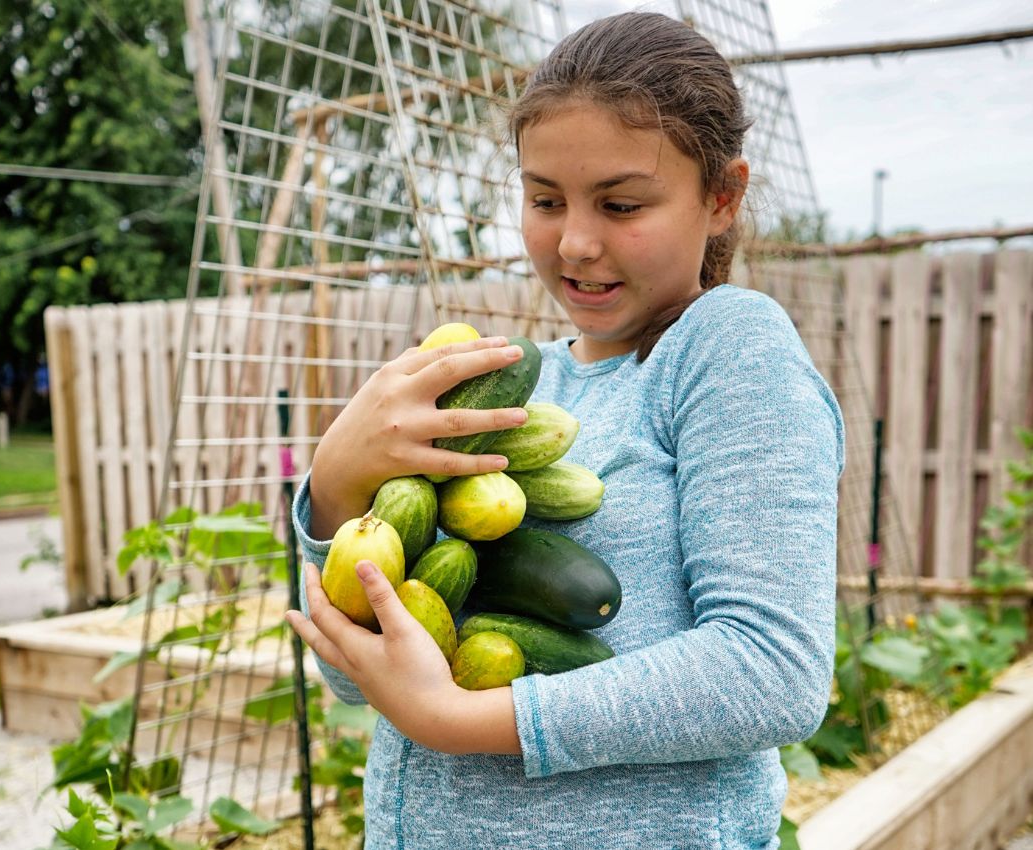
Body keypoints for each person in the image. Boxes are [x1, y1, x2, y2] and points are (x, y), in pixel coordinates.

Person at [285, 11, 844, 849]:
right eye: (545, 199)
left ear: (721, 196)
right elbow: (355, 677)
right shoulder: (501, 387)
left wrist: (466, 720)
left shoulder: (725, 349)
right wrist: (334, 487)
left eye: (621, 203)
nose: (575, 242)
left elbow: (773, 669)